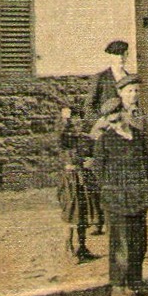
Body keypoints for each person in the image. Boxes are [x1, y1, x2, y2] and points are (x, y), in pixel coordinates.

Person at [90, 73, 148, 296]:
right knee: (120, 243)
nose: (116, 121)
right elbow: (99, 169)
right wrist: (113, 186)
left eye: (118, 118)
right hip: (117, 196)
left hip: (137, 196)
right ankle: (118, 286)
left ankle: (135, 283)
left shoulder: (138, 135)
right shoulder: (106, 139)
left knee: (138, 241)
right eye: (111, 119)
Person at [81, 39, 130, 234]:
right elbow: (88, 107)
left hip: (124, 134)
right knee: (100, 176)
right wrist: (102, 121)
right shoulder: (100, 78)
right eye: (117, 54)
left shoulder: (128, 78)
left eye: (124, 54)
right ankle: (97, 219)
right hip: (103, 134)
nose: (121, 58)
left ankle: (117, 217)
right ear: (110, 57)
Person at [55, 107, 97, 262]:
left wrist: (91, 161)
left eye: (80, 120)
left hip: (83, 179)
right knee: (71, 214)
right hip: (70, 181)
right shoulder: (65, 139)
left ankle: (82, 248)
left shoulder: (85, 139)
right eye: (74, 121)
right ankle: (69, 249)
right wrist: (65, 119)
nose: (78, 123)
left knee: (83, 214)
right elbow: (61, 137)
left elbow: (95, 153)